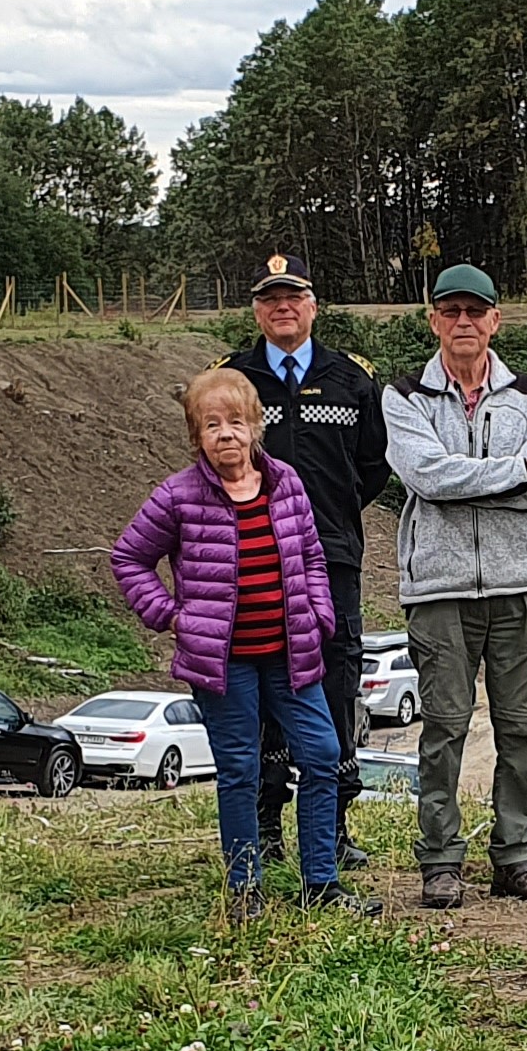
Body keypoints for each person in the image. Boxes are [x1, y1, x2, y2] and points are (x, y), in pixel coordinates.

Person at [113, 369, 373, 916]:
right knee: (240, 769)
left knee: (323, 755)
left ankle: (321, 883)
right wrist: (168, 615)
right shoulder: (177, 496)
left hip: (292, 655)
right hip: (223, 664)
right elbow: (129, 558)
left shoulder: (288, 485)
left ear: (256, 426)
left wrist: (320, 611)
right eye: (211, 425)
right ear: (196, 436)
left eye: (236, 422)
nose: (225, 434)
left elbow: (313, 557)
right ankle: (243, 889)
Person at [384, 263, 527, 910]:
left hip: (523, 584)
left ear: (496, 319)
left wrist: (477, 482)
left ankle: (516, 856)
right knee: (442, 729)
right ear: (433, 319)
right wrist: (516, 469)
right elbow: (428, 477)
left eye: (476, 311)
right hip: (439, 588)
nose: (464, 322)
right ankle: (440, 861)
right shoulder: (402, 396)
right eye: (451, 310)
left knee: (522, 730)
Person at [225, 253, 390, 866]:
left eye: (292, 296)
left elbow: (372, 466)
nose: (282, 307)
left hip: (333, 557)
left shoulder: (352, 379)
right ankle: (265, 824)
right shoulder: (233, 381)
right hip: (254, 560)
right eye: (270, 298)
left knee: (337, 682)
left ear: (313, 305)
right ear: (257, 311)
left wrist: (331, 517)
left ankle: (335, 827)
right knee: (263, 686)